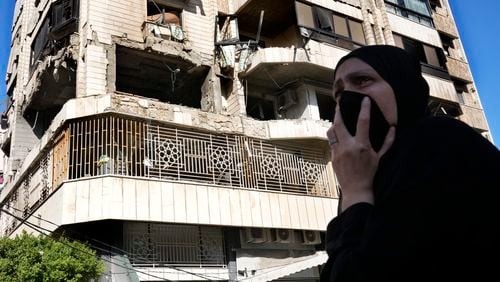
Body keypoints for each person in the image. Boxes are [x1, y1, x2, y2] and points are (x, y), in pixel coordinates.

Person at [320, 45, 500, 282]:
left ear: (402, 86)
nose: (348, 99)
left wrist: (355, 192)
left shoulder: (441, 140)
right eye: (339, 93)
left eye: (362, 80)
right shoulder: (370, 170)